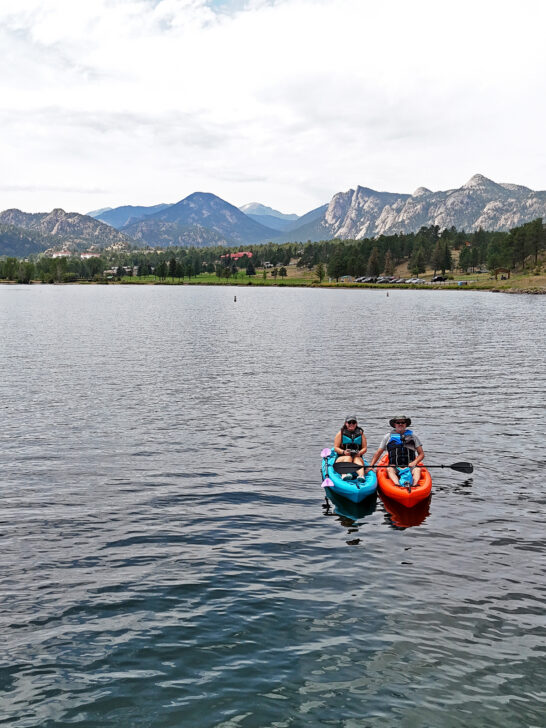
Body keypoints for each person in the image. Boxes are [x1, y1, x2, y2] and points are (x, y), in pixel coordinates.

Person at [369, 415, 424, 487]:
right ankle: (397, 485)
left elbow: (421, 454)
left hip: (410, 466)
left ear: (406, 424)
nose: (400, 424)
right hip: (394, 466)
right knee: (389, 469)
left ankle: (414, 485)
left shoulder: (413, 436)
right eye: (398, 422)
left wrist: (414, 462)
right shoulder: (388, 437)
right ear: (394, 424)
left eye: (403, 422)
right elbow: (379, 452)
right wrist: (371, 465)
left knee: (417, 470)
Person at [333, 416, 368, 482]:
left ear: (356, 424)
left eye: (353, 422)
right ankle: (345, 474)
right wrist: (344, 452)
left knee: (357, 460)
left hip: (356, 457)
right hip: (342, 458)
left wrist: (359, 453)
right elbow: (336, 448)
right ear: (346, 423)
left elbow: (365, 448)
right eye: (349, 422)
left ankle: (361, 476)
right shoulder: (340, 433)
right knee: (348, 457)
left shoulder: (361, 433)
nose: (351, 424)